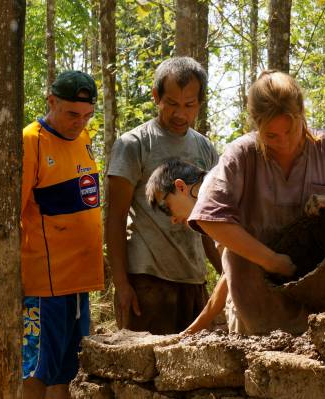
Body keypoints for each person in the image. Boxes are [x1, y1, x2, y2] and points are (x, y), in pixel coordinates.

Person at [150, 71, 325, 335]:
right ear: (256, 124)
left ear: (302, 115)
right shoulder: (240, 156)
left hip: (323, 306)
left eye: (290, 130)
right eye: (271, 136)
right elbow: (209, 219)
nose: (284, 143)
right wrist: (271, 260)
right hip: (258, 310)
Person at [146, 160, 325, 334]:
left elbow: (227, 281)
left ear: (180, 187)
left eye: (166, 207)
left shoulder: (212, 200)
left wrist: (192, 330)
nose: (173, 219)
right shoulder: (225, 178)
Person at [106, 57, 220, 335]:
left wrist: (227, 272)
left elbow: (211, 221)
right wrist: (122, 285)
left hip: (193, 280)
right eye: (172, 103)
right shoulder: (133, 145)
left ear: (199, 104)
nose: (180, 114)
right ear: (156, 96)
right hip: (147, 282)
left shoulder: (205, 149)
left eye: (189, 105)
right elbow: (114, 219)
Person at [21, 71, 104, 399]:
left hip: (79, 282)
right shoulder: (31, 141)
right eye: (72, 114)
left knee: (68, 371)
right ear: (51, 101)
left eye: (87, 115)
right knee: (36, 368)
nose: (80, 122)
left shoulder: (85, 139)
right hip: (45, 284)